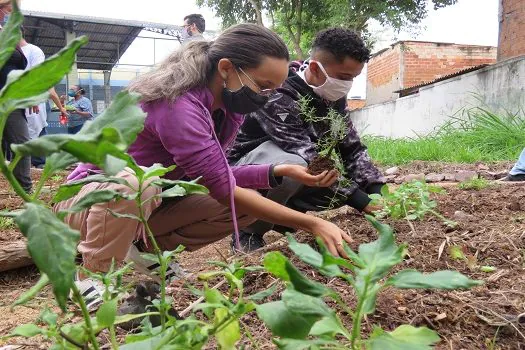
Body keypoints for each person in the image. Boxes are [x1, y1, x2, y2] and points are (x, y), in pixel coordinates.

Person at [55, 24, 350, 310]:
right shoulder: (177, 105)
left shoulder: (225, 108)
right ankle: (90, 279)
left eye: (273, 89)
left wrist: (278, 172)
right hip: (87, 203)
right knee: (137, 183)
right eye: (262, 86)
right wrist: (313, 223)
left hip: (149, 201)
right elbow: (224, 190)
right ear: (226, 69)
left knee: (249, 202)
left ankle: (145, 253)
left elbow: (215, 175)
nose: (267, 96)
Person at [228, 28, 385, 252]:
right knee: (299, 166)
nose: (347, 85)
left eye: (353, 78)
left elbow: (351, 146)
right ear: (314, 68)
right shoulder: (277, 93)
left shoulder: (333, 97)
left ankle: (284, 219)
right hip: (246, 170)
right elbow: (308, 156)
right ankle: (248, 231)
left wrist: (376, 189)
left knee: (335, 190)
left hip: (292, 169)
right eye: (343, 77)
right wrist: (361, 201)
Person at [19, 31, 68, 168]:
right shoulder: (12, 52)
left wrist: (61, 108)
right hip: (20, 105)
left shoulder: (33, 51)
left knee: (36, 133)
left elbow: (49, 89)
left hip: (33, 106)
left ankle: (38, 164)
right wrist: (61, 109)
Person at [0, 0, 32, 193]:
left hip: (12, 100)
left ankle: (25, 192)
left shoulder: (6, 32)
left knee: (22, 144)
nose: (7, 13)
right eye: (5, 9)